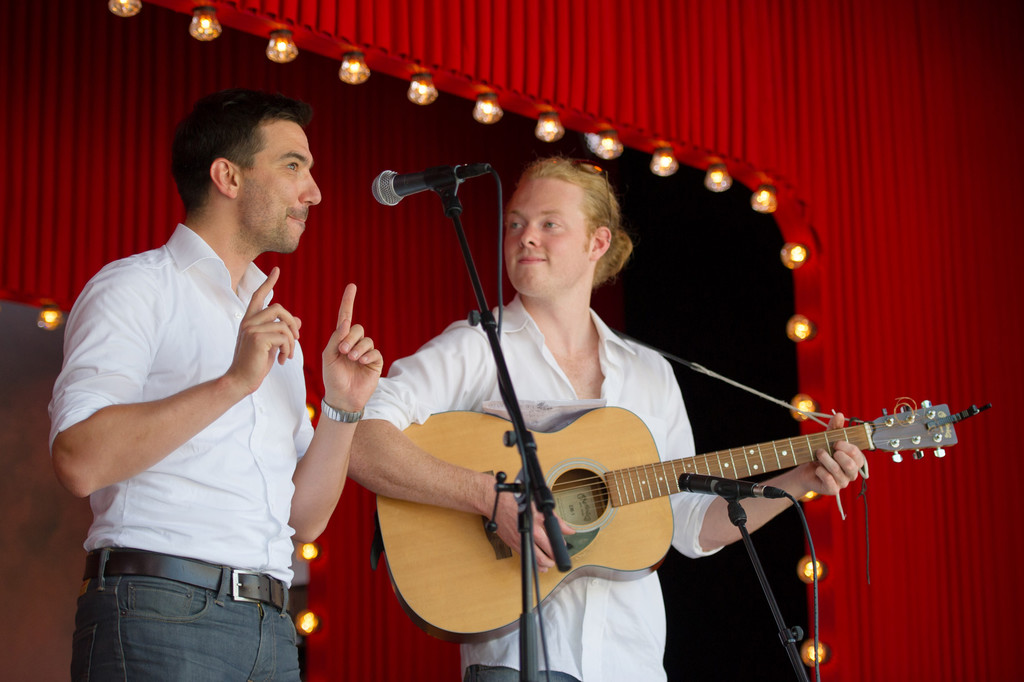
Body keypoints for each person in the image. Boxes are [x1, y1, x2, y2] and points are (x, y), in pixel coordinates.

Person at [349, 156, 866, 682]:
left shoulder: (649, 373)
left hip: (631, 662)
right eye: (515, 223)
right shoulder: (476, 346)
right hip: (517, 664)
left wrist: (801, 479)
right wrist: (488, 497)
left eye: (550, 223)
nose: (526, 237)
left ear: (597, 243)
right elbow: (360, 438)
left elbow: (689, 525)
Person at [48, 88, 383, 681]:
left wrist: (341, 408)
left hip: (271, 627)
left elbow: (303, 520)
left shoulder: (273, 325)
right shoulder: (135, 287)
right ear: (227, 176)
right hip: (158, 611)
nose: (314, 192)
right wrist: (233, 382)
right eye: (293, 166)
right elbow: (79, 460)